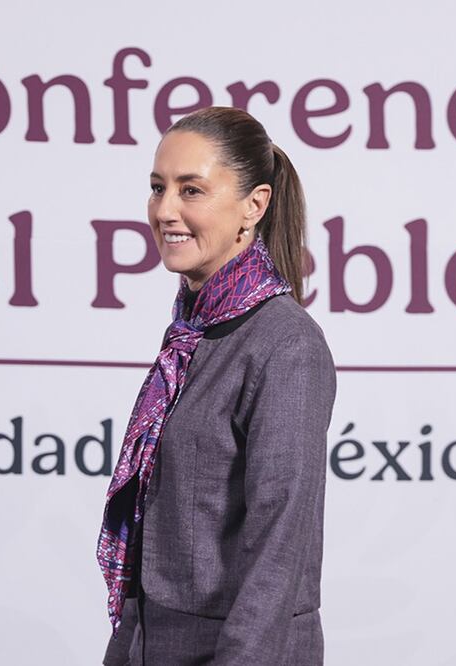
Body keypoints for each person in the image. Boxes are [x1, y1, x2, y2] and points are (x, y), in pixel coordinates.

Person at [96, 106, 337, 665]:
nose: (165, 210)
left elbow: (280, 544)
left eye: (191, 190)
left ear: (254, 205)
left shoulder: (286, 344)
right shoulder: (191, 334)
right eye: (157, 188)